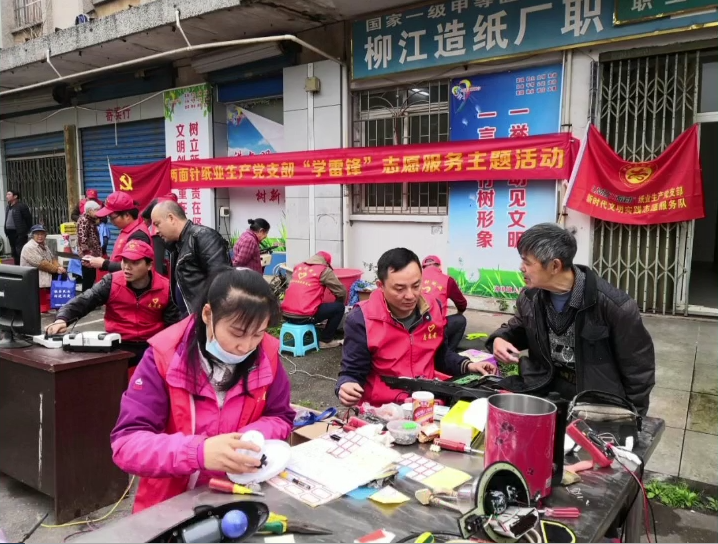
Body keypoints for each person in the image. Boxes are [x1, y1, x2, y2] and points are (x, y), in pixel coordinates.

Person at [110, 268, 295, 513]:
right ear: (208, 314)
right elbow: (127, 445)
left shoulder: (267, 356)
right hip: (170, 508)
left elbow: (281, 416)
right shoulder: (163, 357)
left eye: (258, 334)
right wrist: (198, 452)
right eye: (237, 333)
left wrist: (253, 437)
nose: (246, 346)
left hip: (240, 498)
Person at [486, 223, 655, 415]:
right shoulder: (529, 297)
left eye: (527, 262)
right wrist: (500, 338)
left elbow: (639, 371)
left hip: (594, 400)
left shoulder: (614, 306)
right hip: (543, 387)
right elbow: (517, 328)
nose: (521, 268)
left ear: (554, 266)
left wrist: (632, 418)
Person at [337, 248, 496, 407]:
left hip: (427, 401)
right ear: (381, 286)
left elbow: (440, 355)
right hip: (384, 408)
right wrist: (346, 385)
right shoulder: (362, 319)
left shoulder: (433, 308)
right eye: (400, 289)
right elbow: (352, 372)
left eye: (416, 285)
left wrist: (468, 365)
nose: (410, 295)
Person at [46, 240, 181, 369]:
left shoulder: (166, 288)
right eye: (124, 261)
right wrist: (62, 318)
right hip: (117, 345)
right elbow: (86, 299)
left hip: (151, 347)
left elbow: (173, 326)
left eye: (134, 262)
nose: (127, 267)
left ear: (149, 265)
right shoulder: (111, 282)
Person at [151, 200, 230, 315]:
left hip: (204, 317)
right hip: (190, 316)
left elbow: (221, 280)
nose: (156, 231)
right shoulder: (176, 245)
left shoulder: (202, 236)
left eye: (157, 224)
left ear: (171, 218)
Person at [281, 251, 346, 349]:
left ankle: (308, 333)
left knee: (313, 303)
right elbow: (341, 292)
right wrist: (339, 302)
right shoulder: (324, 270)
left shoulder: (299, 267)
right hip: (304, 317)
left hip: (286, 314)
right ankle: (326, 340)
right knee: (339, 307)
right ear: (326, 262)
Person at [83, 191, 151, 273]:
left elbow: (133, 268)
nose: (111, 221)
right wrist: (98, 263)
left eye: (112, 217)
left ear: (127, 215)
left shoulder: (138, 236)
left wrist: (104, 264)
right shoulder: (128, 230)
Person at [421, 255, 468, 353]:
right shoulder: (447, 280)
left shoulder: (413, 279)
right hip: (435, 329)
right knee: (460, 320)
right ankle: (448, 353)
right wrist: (459, 312)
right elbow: (462, 304)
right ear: (439, 266)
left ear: (423, 267)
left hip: (413, 330)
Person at [20, 224, 66, 313]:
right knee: (41, 301)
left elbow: (52, 258)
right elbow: (41, 263)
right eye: (37, 234)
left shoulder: (44, 245)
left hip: (44, 275)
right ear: (33, 235)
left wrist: (59, 267)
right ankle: (43, 310)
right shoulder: (29, 247)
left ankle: (50, 307)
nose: (40, 236)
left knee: (62, 276)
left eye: (42, 234)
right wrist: (56, 269)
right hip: (34, 277)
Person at [77, 200, 103, 291]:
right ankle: (85, 298)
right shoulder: (84, 220)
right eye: (97, 210)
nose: (98, 212)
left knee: (91, 279)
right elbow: (82, 239)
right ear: (90, 210)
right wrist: (87, 255)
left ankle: (89, 297)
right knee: (88, 280)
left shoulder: (91, 220)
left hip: (93, 255)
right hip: (88, 256)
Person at [4, 189, 33, 265]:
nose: (7, 196)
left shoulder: (22, 206)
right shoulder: (8, 207)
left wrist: (26, 231)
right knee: (14, 251)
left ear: (15, 196)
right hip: (10, 233)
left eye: (9, 194)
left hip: (19, 233)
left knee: (19, 251)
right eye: (7, 194)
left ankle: (22, 267)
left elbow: (28, 219)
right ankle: (16, 266)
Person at [141, 198, 169, 276]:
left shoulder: (157, 201)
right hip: (170, 233)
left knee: (157, 263)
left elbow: (145, 214)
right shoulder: (173, 204)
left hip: (156, 235)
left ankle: (157, 279)